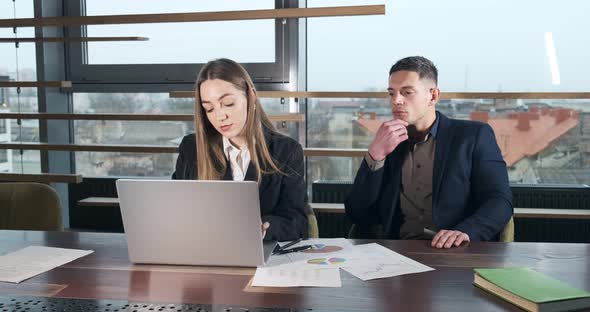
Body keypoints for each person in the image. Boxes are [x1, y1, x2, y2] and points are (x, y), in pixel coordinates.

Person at [345, 56, 512, 248]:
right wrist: (375, 155)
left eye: (407, 92)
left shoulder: (473, 136)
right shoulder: (387, 142)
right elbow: (357, 213)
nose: (396, 101)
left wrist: (465, 231)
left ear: (433, 96)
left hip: (455, 253)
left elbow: (500, 201)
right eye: (392, 93)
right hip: (397, 254)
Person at [172, 58, 308, 241]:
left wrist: (263, 227)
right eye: (209, 108)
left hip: (261, 261)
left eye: (228, 103)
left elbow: (298, 223)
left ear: (250, 97)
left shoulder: (286, 151)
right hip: (203, 253)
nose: (220, 116)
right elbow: (175, 210)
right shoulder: (191, 148)